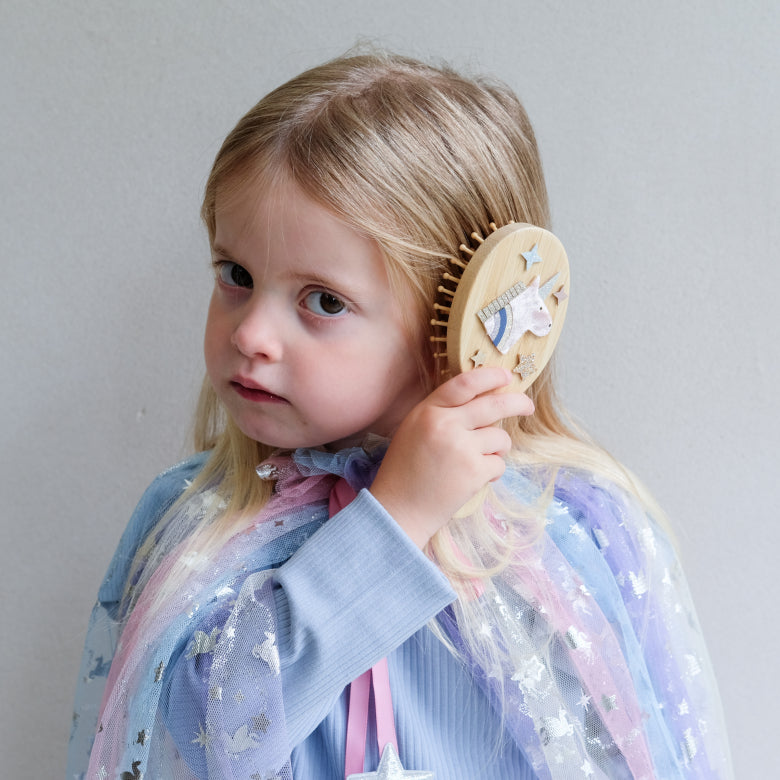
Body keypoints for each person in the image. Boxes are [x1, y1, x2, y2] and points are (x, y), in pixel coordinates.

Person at [68, 51, 732, 779]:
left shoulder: (559, 525)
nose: (251, 334)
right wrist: (393, 523)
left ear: (459, 321)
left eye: (324, 301)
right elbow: (213, 735)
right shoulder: (200, 522)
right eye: (237, 275)